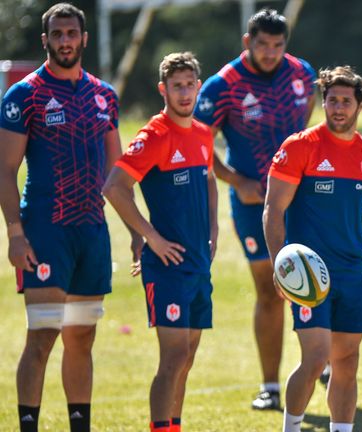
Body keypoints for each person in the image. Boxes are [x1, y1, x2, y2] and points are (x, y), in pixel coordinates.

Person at [0, 4, 139, 431]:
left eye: (71, 33)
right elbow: (5, 170)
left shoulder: (104, 95)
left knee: (83, 336)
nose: (65, 41)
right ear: (45, 40)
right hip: (46, 230)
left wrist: (136, 230)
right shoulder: (25, 95)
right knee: (43, 336)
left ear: (83, 38)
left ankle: (80, 426)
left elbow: (118, 176)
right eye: (57, 34)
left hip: (91, 233)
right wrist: (15, 233)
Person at [263, 66, 362, 432]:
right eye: (331, 100)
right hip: (308, 273)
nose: (338, 108)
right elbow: (273, 209)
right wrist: (281, 265)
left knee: (348, 361)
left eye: (346, 101)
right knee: (314, 359)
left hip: (352, 274)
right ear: (322, 102)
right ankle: (291, 427)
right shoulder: (300, 147)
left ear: (359, 105)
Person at [194, 8, 316, 410]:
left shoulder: (302, 73)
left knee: (316, 279)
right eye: (262, 44)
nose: (270, 53)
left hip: (304, 197)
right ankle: (271, 386)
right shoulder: (222, 85)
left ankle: (319, 362)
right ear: (248, 42)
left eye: (277, 45)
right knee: (270, 288)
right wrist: (235, 179)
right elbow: (197, 144)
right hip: (253, 204)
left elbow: (311, 122)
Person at [102, 52, 217, 432]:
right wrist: (149, 237)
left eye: (189, 85)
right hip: (167, 268)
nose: (184, 93)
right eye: (176, 86)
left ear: (199, 87)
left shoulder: (202, 133)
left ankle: (174, 426)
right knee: (173, 357)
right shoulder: (154, 135)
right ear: (163, 89)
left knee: (188, 359)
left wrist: (213, 229)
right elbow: (115, 189)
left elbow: (210, 179)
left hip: (199, 262)